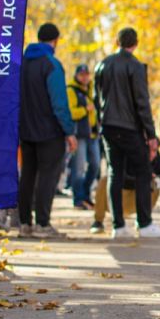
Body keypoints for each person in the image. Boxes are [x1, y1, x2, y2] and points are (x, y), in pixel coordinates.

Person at [94, 27, 160, 239]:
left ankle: (118, 226)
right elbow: (142, 102)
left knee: (114, 172)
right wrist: (151, 134)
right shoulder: (135, 66)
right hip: (129, 127)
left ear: (116, 42)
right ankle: (144, 223)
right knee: (143, 171)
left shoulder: (102, 65)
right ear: (135, 44)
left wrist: (102, 122)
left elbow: (96, 98)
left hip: (108, 126)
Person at [18, 23, 78, 239]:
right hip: (49, 131)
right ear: (56, 40)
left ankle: (24, 223)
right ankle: (43, 223)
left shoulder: (21, 63)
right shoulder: (52, 65)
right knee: (47, 176)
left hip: (25, 130)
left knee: (27, 175)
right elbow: (59, 102)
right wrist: (69, 131)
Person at [90, 148, 160, 234]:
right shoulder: (127, 152)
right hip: (116, 200)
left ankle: (143, 219)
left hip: (139, 201)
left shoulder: (154, 155)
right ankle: (98, 221)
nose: (153, 154)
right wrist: (143, 176)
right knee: (104, 181)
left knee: (155, 182)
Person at [66, 64, 98, 211]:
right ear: (77, 75)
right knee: (78, 168)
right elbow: (71, 112)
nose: (84, 77)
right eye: (82, 74)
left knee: (95, 165)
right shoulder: (71, 90)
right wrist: (85, 109)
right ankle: (78, 199)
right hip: (79, 134)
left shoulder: (92, 89)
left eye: (86, 74)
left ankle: (86, 195)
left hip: (93, 134)